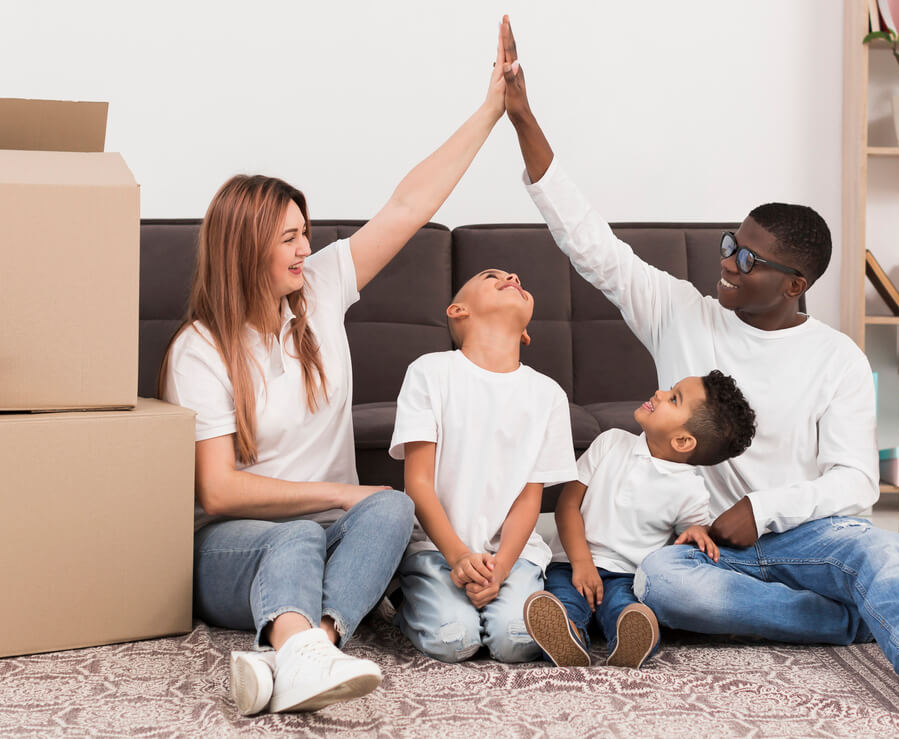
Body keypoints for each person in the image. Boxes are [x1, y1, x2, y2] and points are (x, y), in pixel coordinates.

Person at [497, 17, 899, 720]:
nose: (726, 261)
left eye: (748, 258)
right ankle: (854, 620)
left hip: (803, 536)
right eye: (729, 243)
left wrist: (764, 509)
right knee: (659, 583)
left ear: (794, 283)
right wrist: (522, 117)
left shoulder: (834, 357)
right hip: (704, 548)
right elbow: (586, 238)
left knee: (881, 546)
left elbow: (855, 481)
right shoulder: (679, 312)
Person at [159, 31, 511, 715]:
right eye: (289, 237)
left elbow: (409, 205)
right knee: (306, 530)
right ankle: (307, 643)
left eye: (304, 232)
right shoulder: (199, 350)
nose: (305, 247)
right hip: (232, 549)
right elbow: (221, 490)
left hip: (328, 532)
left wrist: (490, 109)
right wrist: (339, 498)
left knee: (394, 503)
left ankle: (303, 649)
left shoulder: (318, 290)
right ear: (245, 249)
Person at [388, 267, 578, 663]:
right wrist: (457, 556)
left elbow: (530, 499)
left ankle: (531, 602)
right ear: (458, 310)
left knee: (515, 641)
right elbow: (418, 484)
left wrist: (502, 567)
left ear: (525, 333)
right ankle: (402, 603)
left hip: (512, 554)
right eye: (491, 275)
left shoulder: (548, 395)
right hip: (438, 550)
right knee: (453, 641)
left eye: (517, 278)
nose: (512, 275)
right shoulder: (429, 372)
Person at [524, 370, 756, 669]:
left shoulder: (689, 489)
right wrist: (582, 564)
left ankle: (629, 639)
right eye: (670, 389)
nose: (659, 393)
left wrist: (698, 530)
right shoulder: (610, 443)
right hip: (571, 562)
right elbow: (567, 506)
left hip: (626, 576)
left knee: (627, 608)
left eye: (673, 398)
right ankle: (566, 635)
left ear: (683, 441)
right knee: (562, 598)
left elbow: (691, 531)